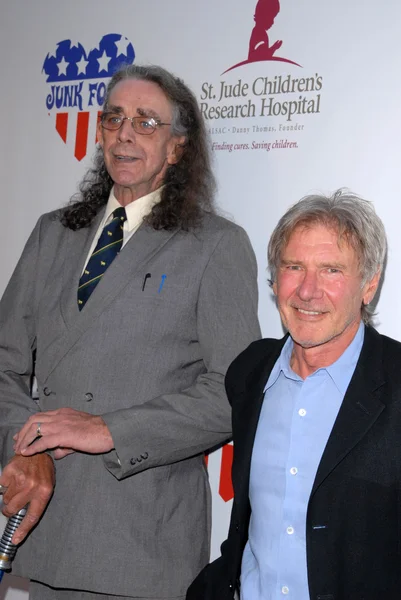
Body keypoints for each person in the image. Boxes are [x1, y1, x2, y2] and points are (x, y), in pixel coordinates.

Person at [0, 64, 261, 600]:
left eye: (146, 122)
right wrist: (25, 444)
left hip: (142, 543)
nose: (124, 132)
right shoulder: (54, 233)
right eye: (113, 118)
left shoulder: (215, 245)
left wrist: (110, 429)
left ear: (177, 148)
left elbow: (235, 394)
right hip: (41, 523)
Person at [187, 189, 401, 600]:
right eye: (293, 266)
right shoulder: (250, 372)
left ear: (369, 285)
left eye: (332, 270)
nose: (307, 290)